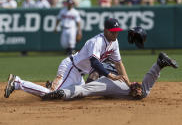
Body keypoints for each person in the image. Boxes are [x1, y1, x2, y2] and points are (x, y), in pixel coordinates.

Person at [4, 18, 131, 99]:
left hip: (79, 73)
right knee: (51, 95)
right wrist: (111, 76)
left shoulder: (114, 42)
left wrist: (129, 84)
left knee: (78, 95)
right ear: (105, 30)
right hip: (72, 68)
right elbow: (95, 62)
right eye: (112, 31)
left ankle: (54, 85)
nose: (115, 33)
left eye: (117, 31)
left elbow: (119, 63)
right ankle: (17, 82)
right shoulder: (97, 41)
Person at [42, 52, 178, 100]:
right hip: (114, 82)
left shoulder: (98, 60)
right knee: (84, 89)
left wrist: (129, 84)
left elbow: (94, 74)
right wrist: (129, 83)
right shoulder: (106, 59)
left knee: (84, 89)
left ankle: (61, 91)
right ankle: (158, 65)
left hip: (112, 82)